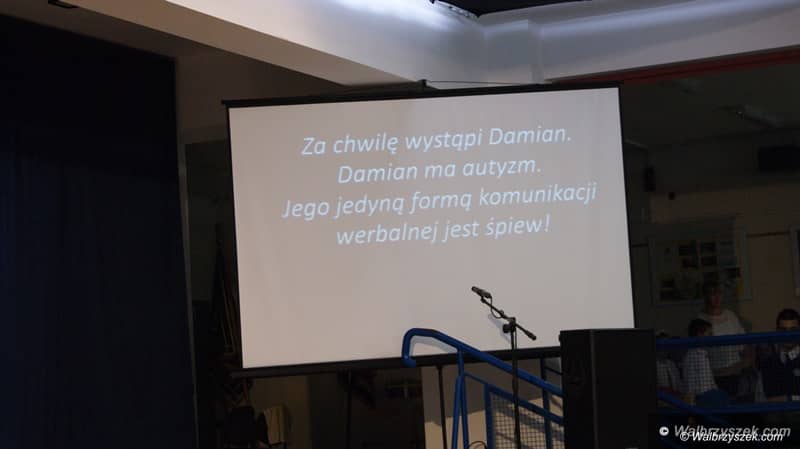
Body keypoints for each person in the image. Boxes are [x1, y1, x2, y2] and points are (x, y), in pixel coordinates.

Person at [697, 283, 748, 398]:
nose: (716, 297)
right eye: (712, 293)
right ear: (706, 296)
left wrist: (743, 364)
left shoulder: (731, 316)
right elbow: (700, 352)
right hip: (713, 377)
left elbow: (744, 344)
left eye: (719, 293)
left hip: (735, 373)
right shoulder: (700, 319)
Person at [683, 319, 729, 408]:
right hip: (701, 401)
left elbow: (709, 380)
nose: (712, 337)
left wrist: (716, 393)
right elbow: (692, 383)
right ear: (700, 335)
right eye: (709, 334)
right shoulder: (694, 355)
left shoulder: (703, 353)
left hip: (707, 399)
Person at [760, 308, 800, 401]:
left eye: (793, 330)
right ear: (777, 331)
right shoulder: (768, 363)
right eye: (783, 330)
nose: (788, 334)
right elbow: (769, 398)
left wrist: (789, 398)